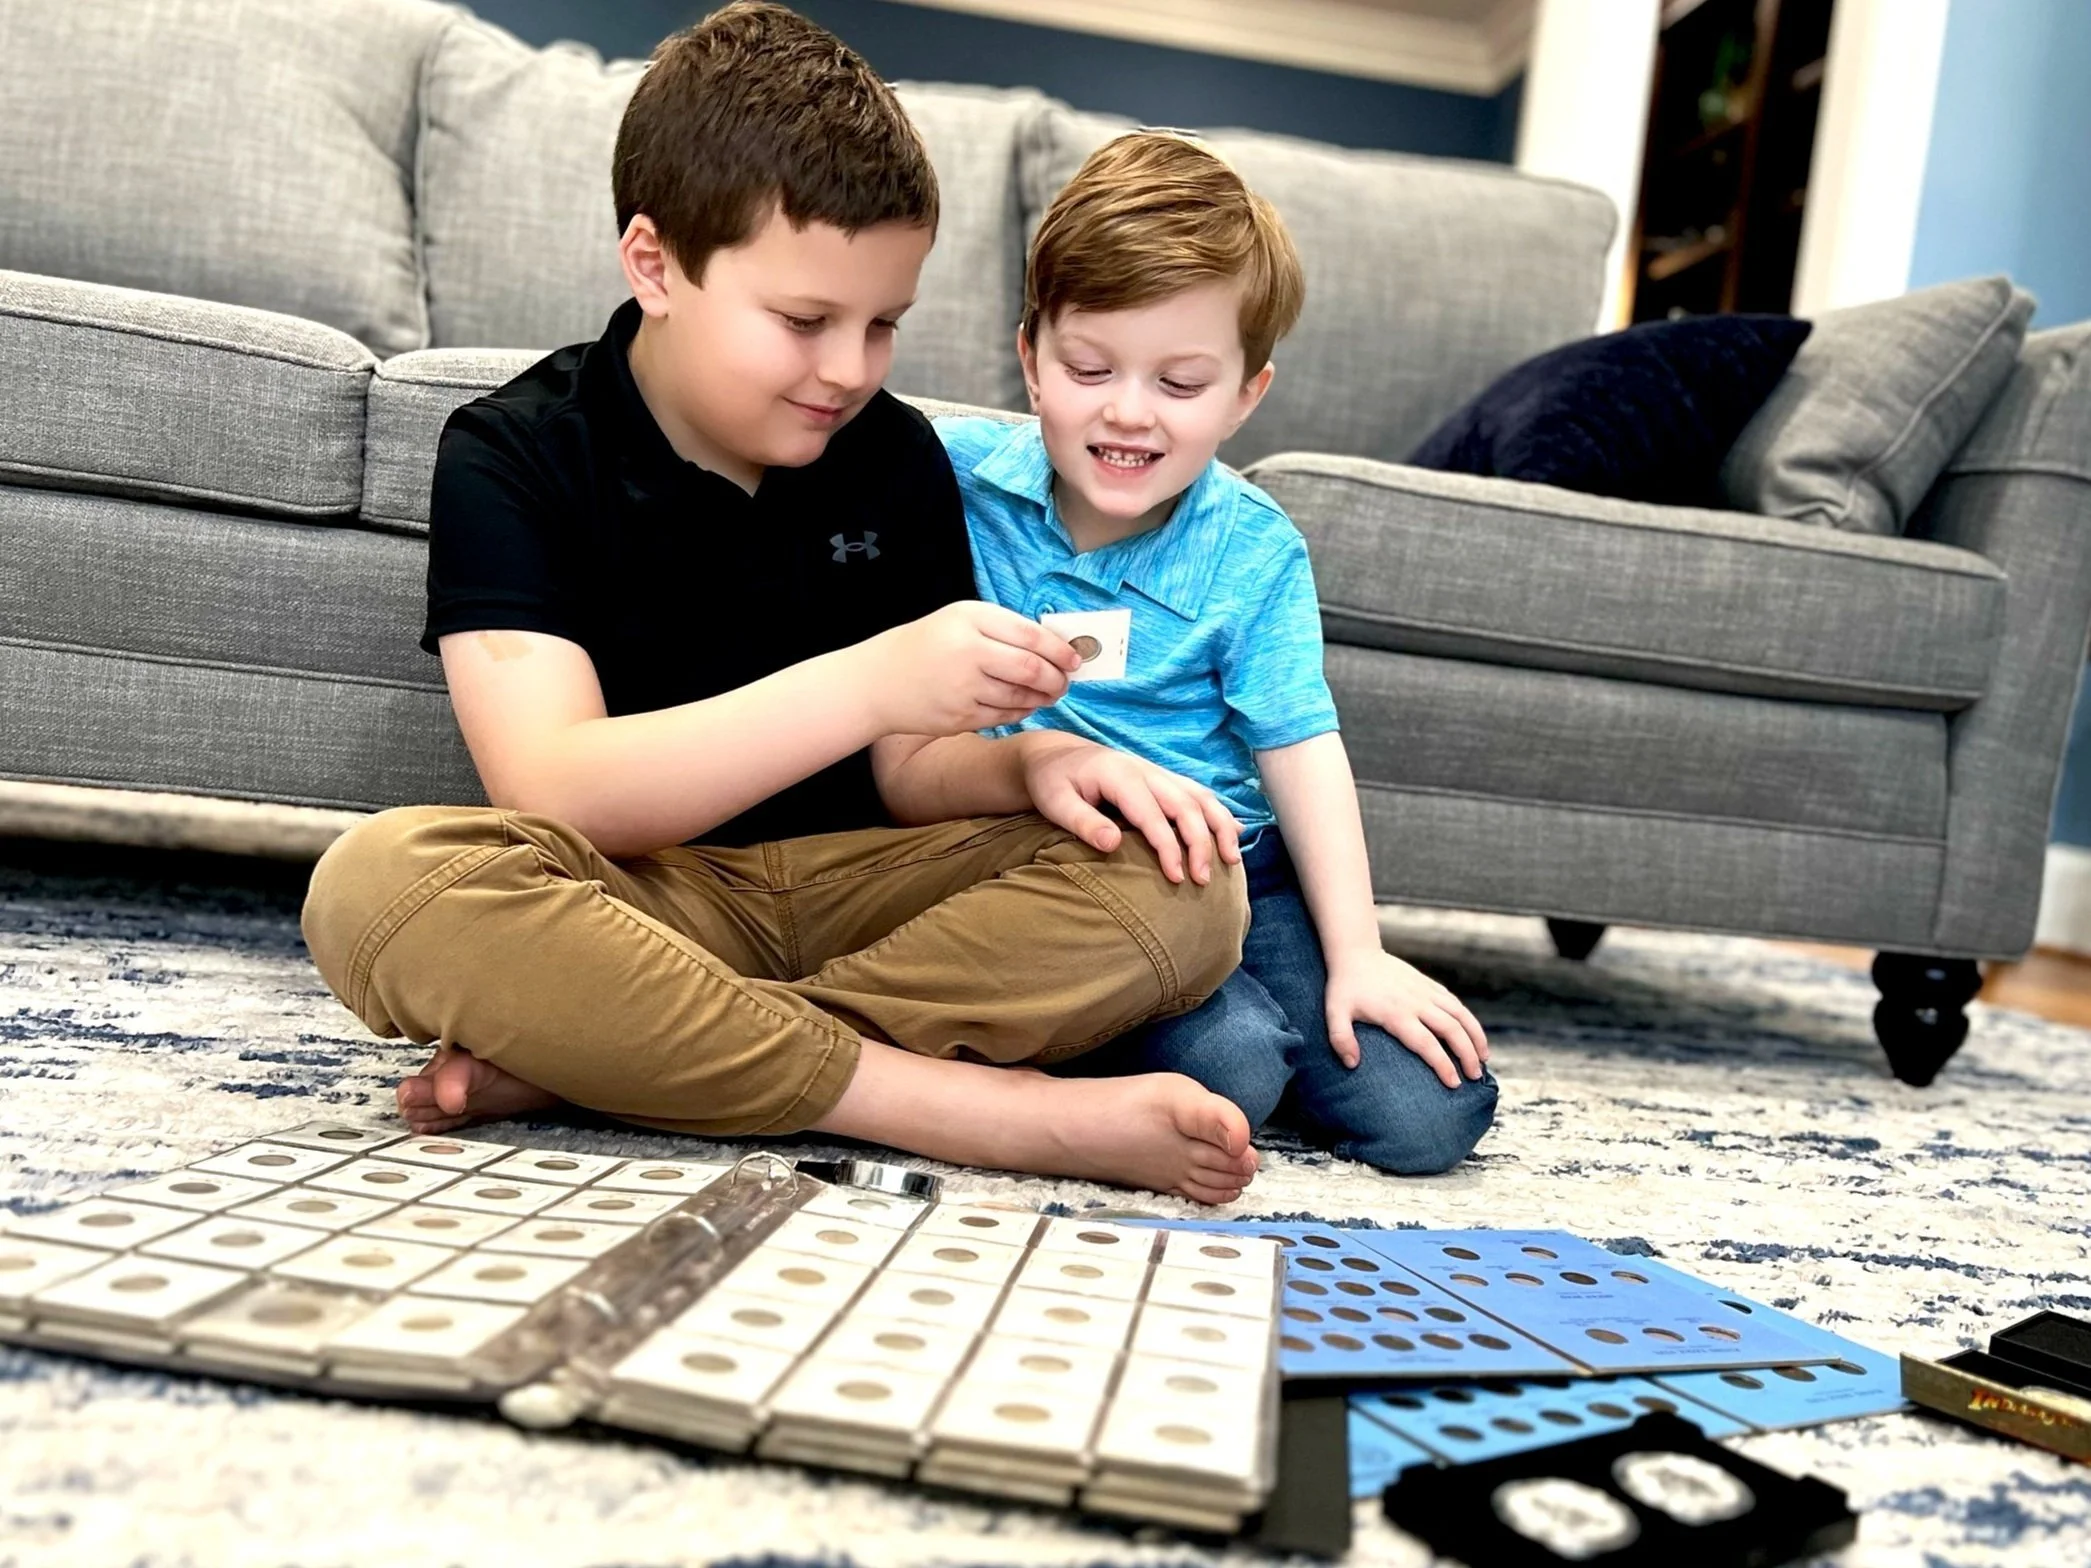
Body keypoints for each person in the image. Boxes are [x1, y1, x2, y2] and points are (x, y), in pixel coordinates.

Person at [299, 5, 1265, 1206]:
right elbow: (560, 790)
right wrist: (866, 680)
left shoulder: (896, 454)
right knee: (378, 883)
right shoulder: (515, 451)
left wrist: (1026, 769)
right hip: (641, 897)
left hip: (872, 890)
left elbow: (912, 769)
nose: (850, 369)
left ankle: (616, 1057)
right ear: (655, 264)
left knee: (1188, 887)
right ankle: (960, 1107)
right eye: (805, 322)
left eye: (882, 326)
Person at [937, 132, 1499, 1175]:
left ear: (1247, 394)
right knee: (1235, 1073)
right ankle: (1195, 1050)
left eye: (1182, 383)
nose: (1128, 411)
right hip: (1060, 875)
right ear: (1030, 357)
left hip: (1240, 876)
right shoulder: (953, 482)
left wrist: (1360, 953)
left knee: (1433, 1112)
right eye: (1089, 367)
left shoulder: (1253, 547)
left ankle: (1228, 1035)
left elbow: (1301, 744)